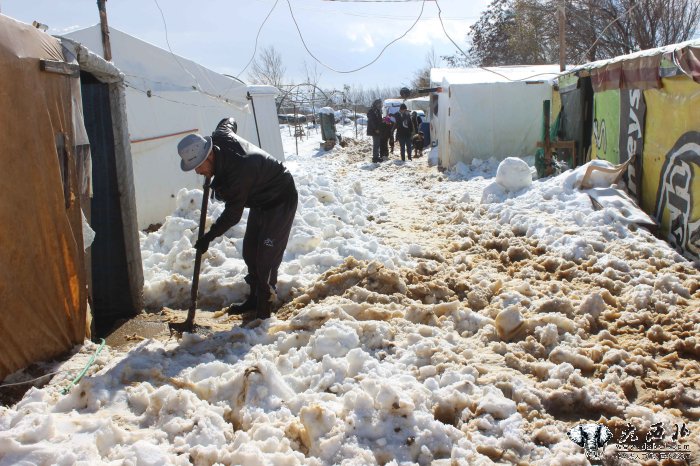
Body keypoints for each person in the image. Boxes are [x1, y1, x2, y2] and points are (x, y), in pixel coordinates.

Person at [177, 118, 298, 321]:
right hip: (260, 197)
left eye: (199, 166)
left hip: (280, 198)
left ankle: (263, 312)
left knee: (265, 259)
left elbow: (233, 215)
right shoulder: (220, 136)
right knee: (250, 251)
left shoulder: (238, 173)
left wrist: (209, 236)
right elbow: (227, 122)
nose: (197, 172)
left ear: (209, 156)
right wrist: (228, 122)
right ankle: (253, 299)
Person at [366, 99, 382, 163]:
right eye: (379, 103)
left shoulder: (378, 110)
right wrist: (376, 129)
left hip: (378, 129)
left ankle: (377, 156)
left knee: (377, 144)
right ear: (376, 104)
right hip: (375, 130)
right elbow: (372, 121)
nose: (381, 105)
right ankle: (375, 158)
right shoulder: (372, 111)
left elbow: (379, 120)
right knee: (376, 144)